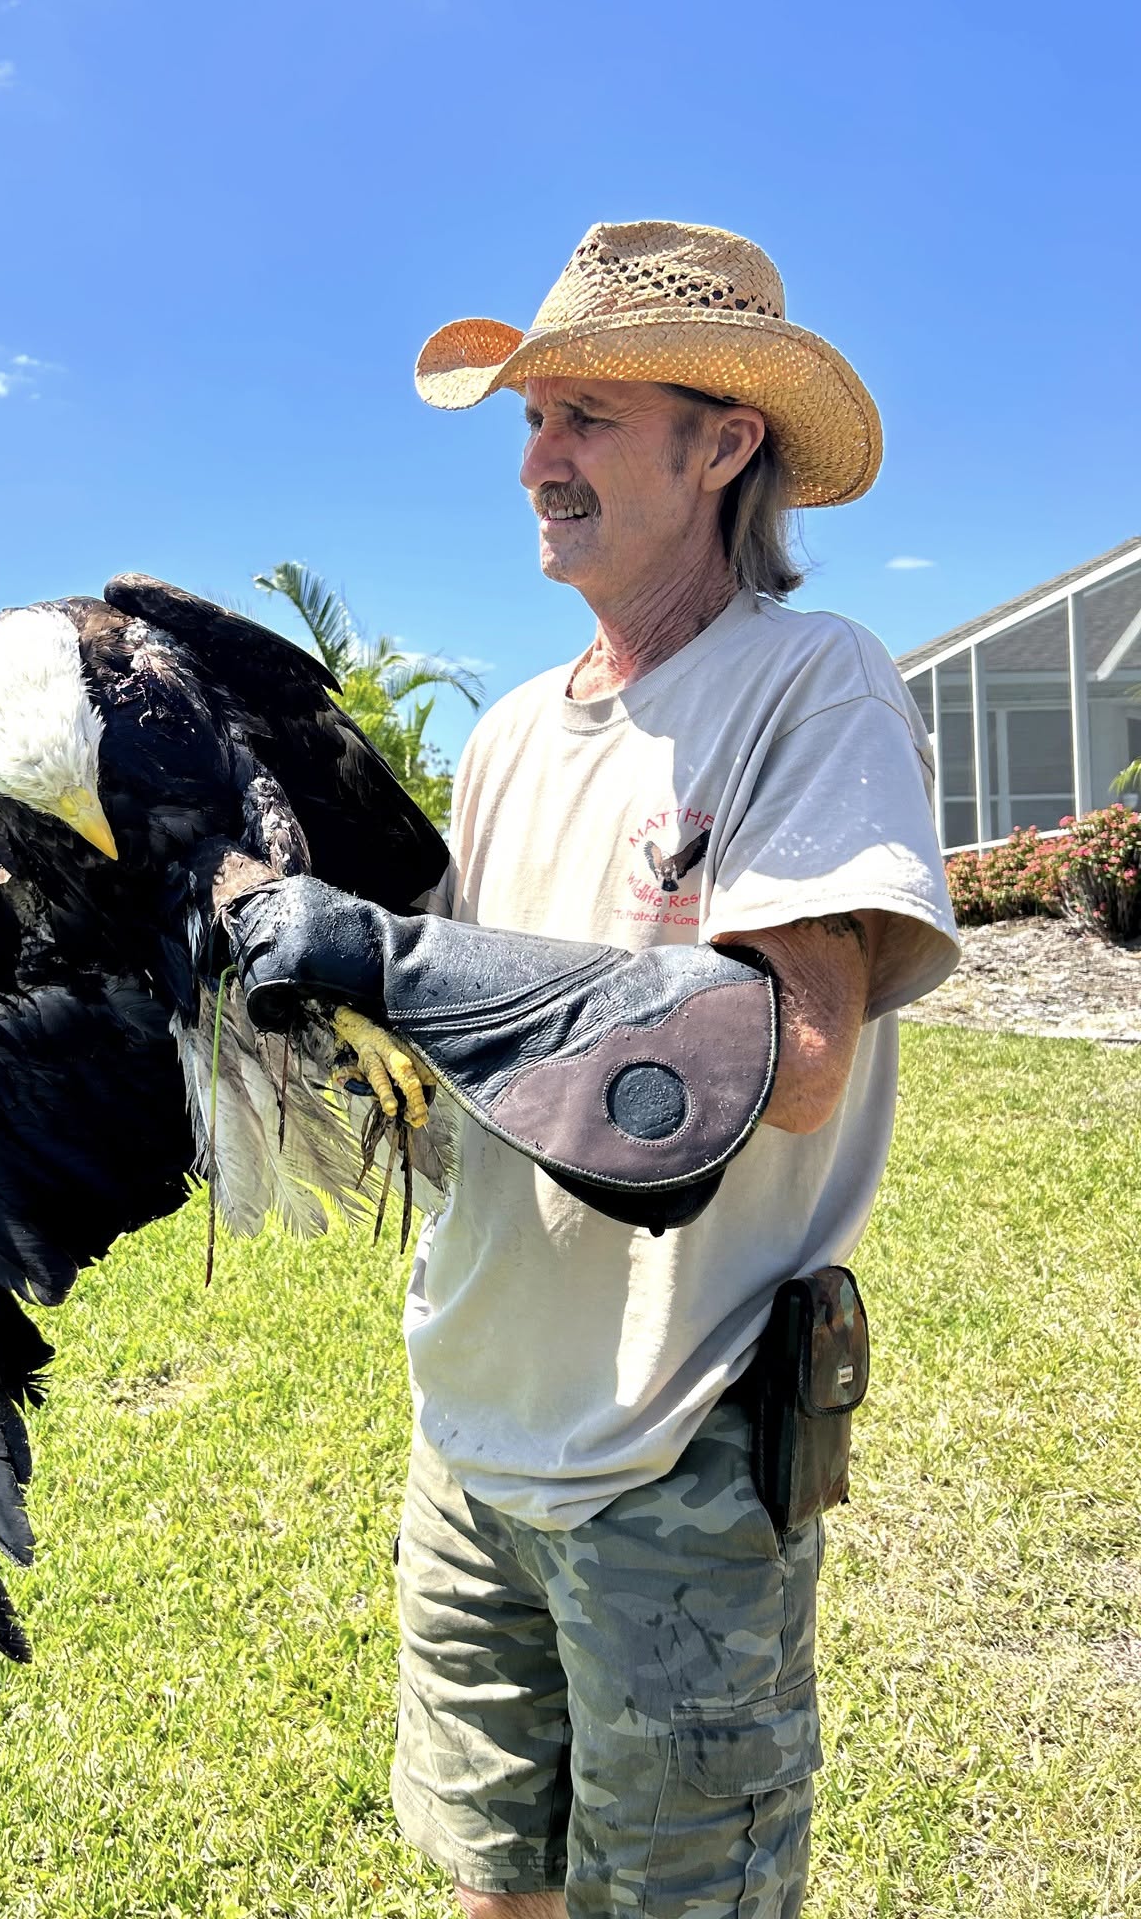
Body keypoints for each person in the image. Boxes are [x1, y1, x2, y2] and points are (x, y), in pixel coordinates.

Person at [226, 221, 960, 1917]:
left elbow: (793, 1059)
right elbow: (451, 1062)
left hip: (676, 1442)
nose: (537, 462)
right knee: (495, 1884)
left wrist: (400, 961)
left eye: (588, 418)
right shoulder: (504, 736)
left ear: (724, 445)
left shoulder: (811, 683)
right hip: (469, 1421)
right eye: (530, 421)